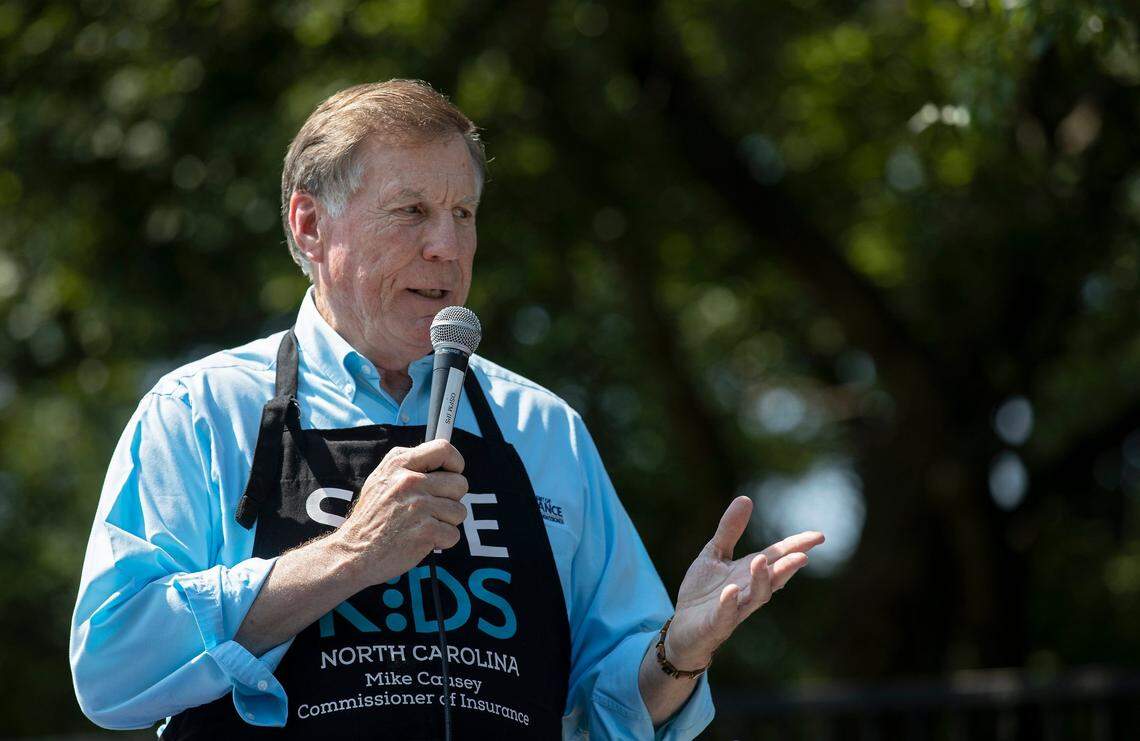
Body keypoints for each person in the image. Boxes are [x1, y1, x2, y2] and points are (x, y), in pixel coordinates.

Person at [69, 79, 823, 739]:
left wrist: (676, 652)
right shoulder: (202, 412)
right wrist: (349, 555)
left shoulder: (542, 428)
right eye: (412, 211)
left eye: (463, 213)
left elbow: (610, 706)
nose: (447, 246)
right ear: (309, 225)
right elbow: (110, 667)